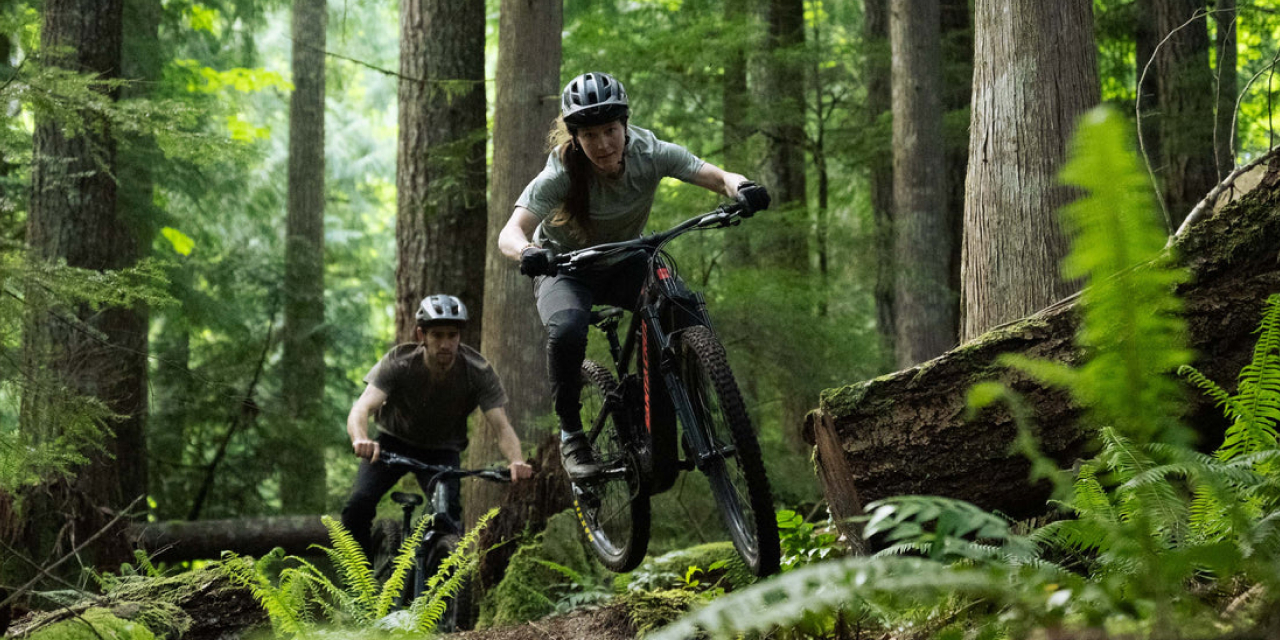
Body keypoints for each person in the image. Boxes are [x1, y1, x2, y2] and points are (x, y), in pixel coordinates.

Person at [496, 71, 771, 479]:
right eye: (590, 135)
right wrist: (528, 252)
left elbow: (712, 175)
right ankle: (572, 434)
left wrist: (741, 187)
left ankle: (694, 414)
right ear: (575, 138)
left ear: (625, 124)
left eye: (611, 130)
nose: (603, 144)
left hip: (626, 259)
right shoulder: (560, 174)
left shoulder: (650, 152)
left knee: (679, 304)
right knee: (568, 330)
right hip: (565, 269)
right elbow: (510, 233)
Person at [340, 294, 534, 554]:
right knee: (358, 506)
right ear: (422, 335)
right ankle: (359, 577)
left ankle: (433, 574)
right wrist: (361, 439)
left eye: (452, 335)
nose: (445, 343)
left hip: (442, 451)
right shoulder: (400, 362)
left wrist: (517, 461)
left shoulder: (477, 371)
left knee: (448, 522)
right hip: (391, 444)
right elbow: (362, 408)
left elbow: (502, 427)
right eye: (437, 335)